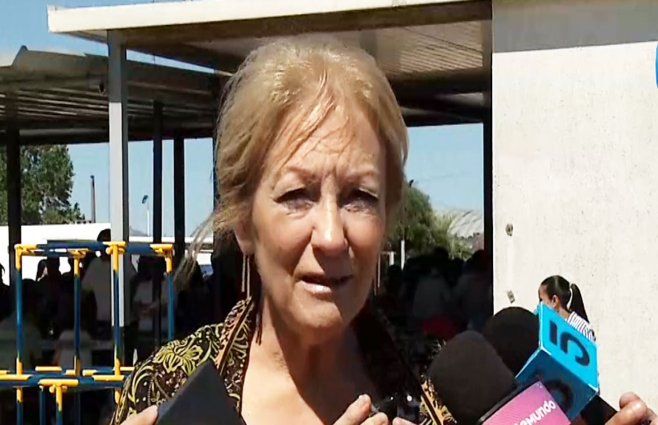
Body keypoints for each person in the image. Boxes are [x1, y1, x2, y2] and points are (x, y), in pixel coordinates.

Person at [113, 39, 656, 425]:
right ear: (243, 222)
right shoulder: (163, 392)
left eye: (359, 197)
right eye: (297, 195)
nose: (331, 236)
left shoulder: (449, 396)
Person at [538, 275, 596, 342]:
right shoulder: (547, 329)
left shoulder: (582, 329)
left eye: (541, 300)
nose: (539, 306)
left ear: (554, 300)